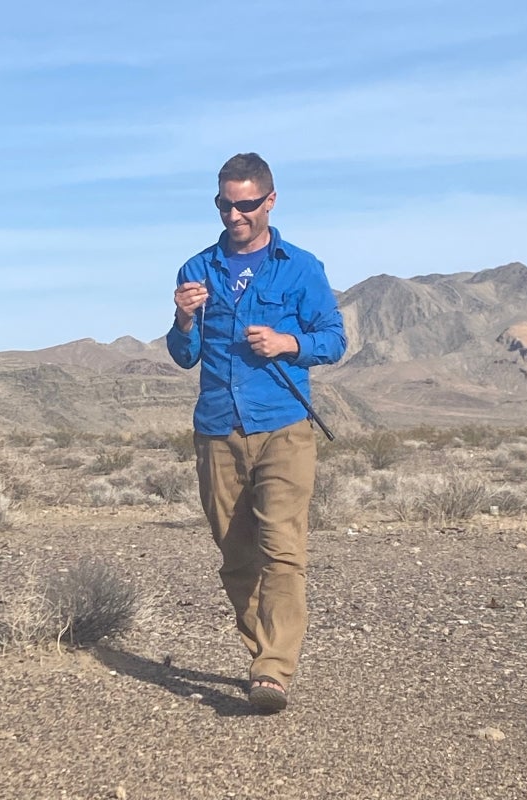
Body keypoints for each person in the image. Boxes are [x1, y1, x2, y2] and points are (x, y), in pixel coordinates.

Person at [167, 152, 347, 712]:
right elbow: (184, 356)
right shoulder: (196, 269)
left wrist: (289, 344)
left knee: (283, 551)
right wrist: (183, 320)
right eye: (226, 204)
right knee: (236, 555)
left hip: (283, 428)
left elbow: (334, 339)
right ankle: (261, 651)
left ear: (270, 200)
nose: (235, 215)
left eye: (246, 204)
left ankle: (273, 670)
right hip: (217, 429)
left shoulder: (301, 267)